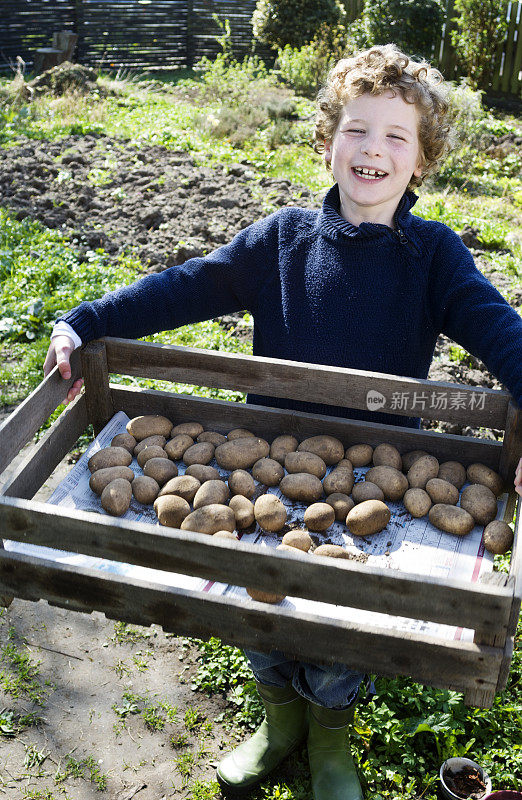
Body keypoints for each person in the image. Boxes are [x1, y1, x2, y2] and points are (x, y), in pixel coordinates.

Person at [44, 45, 522, 799]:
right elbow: (186, 285)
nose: (373, 151)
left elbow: (501, 332)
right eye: (357, 131)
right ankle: (278, 722)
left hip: (375, 483)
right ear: (328, 139)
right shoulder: (282, 241)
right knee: (259, 610)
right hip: (262, 474)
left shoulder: (433, 257)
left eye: (397, 137)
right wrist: (86, 319)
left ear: (423, 159)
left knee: (338, 635)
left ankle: (330, 738)